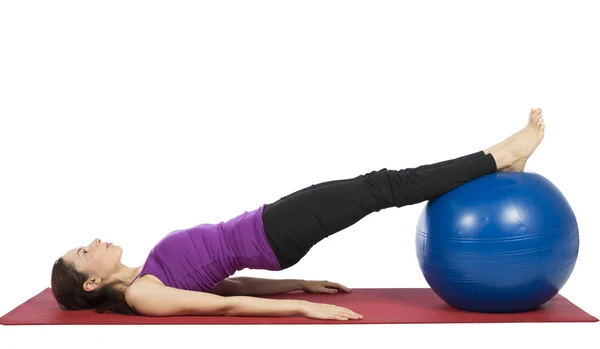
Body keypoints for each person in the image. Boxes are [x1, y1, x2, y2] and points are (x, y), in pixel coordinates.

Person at [50, 108, 546, 321]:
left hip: (271, 227)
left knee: (379, 185)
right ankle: (500, 156)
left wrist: (300, 284)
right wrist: (302, 309)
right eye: (83, 252)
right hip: (273, 233)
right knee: (383, 186)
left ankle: (502, 160)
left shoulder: (147, 279)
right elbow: (226, 309)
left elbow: (228, 287)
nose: (93, 241)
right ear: (90, 283)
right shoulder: (142, 295)